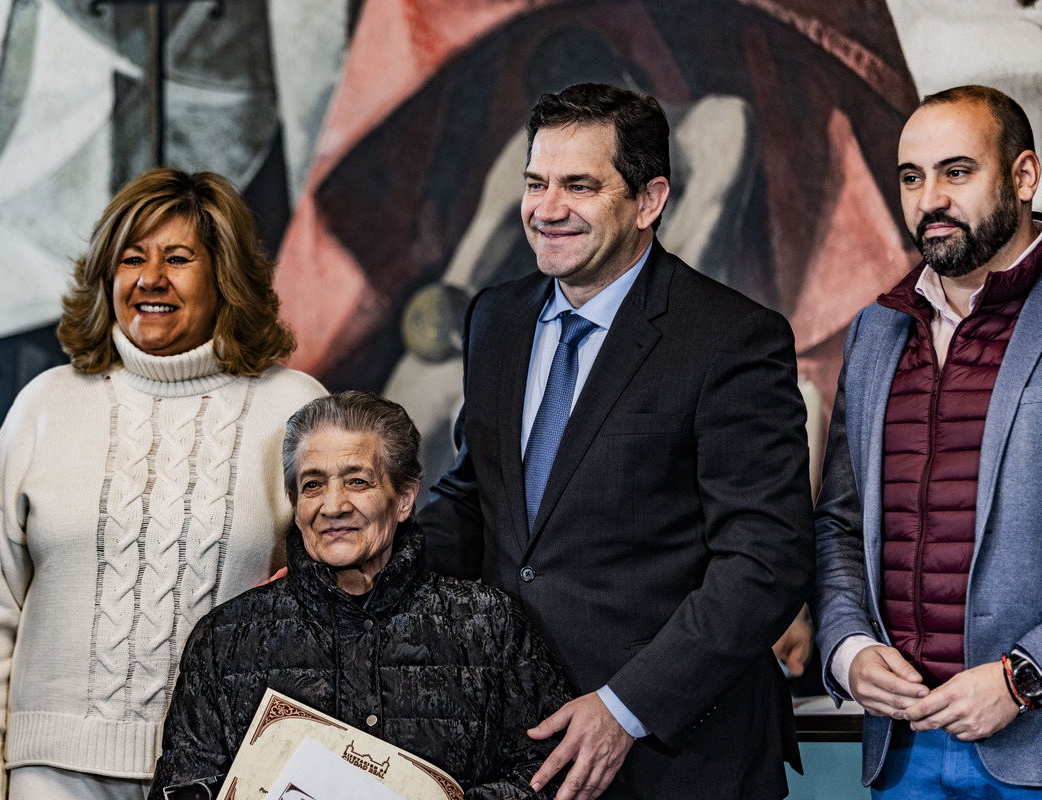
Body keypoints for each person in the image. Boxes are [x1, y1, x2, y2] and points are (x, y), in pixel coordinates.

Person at [418, 83, 815, 799]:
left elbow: (763, 561)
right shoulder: (496, 320)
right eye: (535, 183)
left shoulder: (731, 339)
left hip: (679, 759)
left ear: (649, 200)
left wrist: (625, 708)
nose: (547, 209)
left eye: (580, 185)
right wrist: (368, 569)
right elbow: (477, 497)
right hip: (519, 748)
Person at [0, 169, 327, 800]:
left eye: (178, 258)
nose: (151, 279)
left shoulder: (295, 408)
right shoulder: (44, 403)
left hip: (223, 772)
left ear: (224, 275)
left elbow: (337, 598)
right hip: (48, 772)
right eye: (131, 259)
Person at [149, 391, 572, 799]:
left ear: (404, 498)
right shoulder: (223, 642)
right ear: (295, 504)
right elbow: (184, 786)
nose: (333, 506)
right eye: (313, 485)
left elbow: (552, 770)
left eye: (357, 480)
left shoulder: (490, 625)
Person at [813, 85, 1042, 796]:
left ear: (1024, 177)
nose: (929, 198)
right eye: (912, 177)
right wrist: (848, 647)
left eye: (956, 171)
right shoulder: (876, 331)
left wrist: (1025, 674)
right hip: (905, 749)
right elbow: (840, 525)